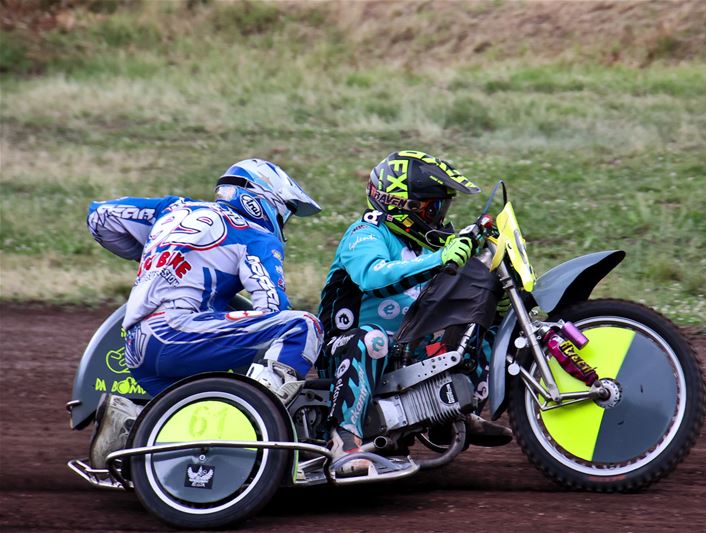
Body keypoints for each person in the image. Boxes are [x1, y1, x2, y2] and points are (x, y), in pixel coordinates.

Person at [85, 158, 323, 468]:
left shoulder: (172, 209)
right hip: (177, 334)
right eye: (284, 212)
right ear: (262, 201)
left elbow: (100, 216)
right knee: (302, 328)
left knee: (199, 411)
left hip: (136, 347)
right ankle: (262, 426)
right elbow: (272, 308)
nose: (283, 222)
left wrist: (153, 256)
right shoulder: (255, 235)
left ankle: (131, 424)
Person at [318, 150, 512, 477]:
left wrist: (497, 299)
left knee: (484, 327)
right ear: (404, 206)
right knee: (373, 339)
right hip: (345, 351)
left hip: (404, 348)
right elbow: (374, 276)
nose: (439, 216)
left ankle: (458, 414)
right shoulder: (366, 233)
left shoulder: (429, 243)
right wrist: (442, 259)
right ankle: (344, 440)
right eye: (434, 207)